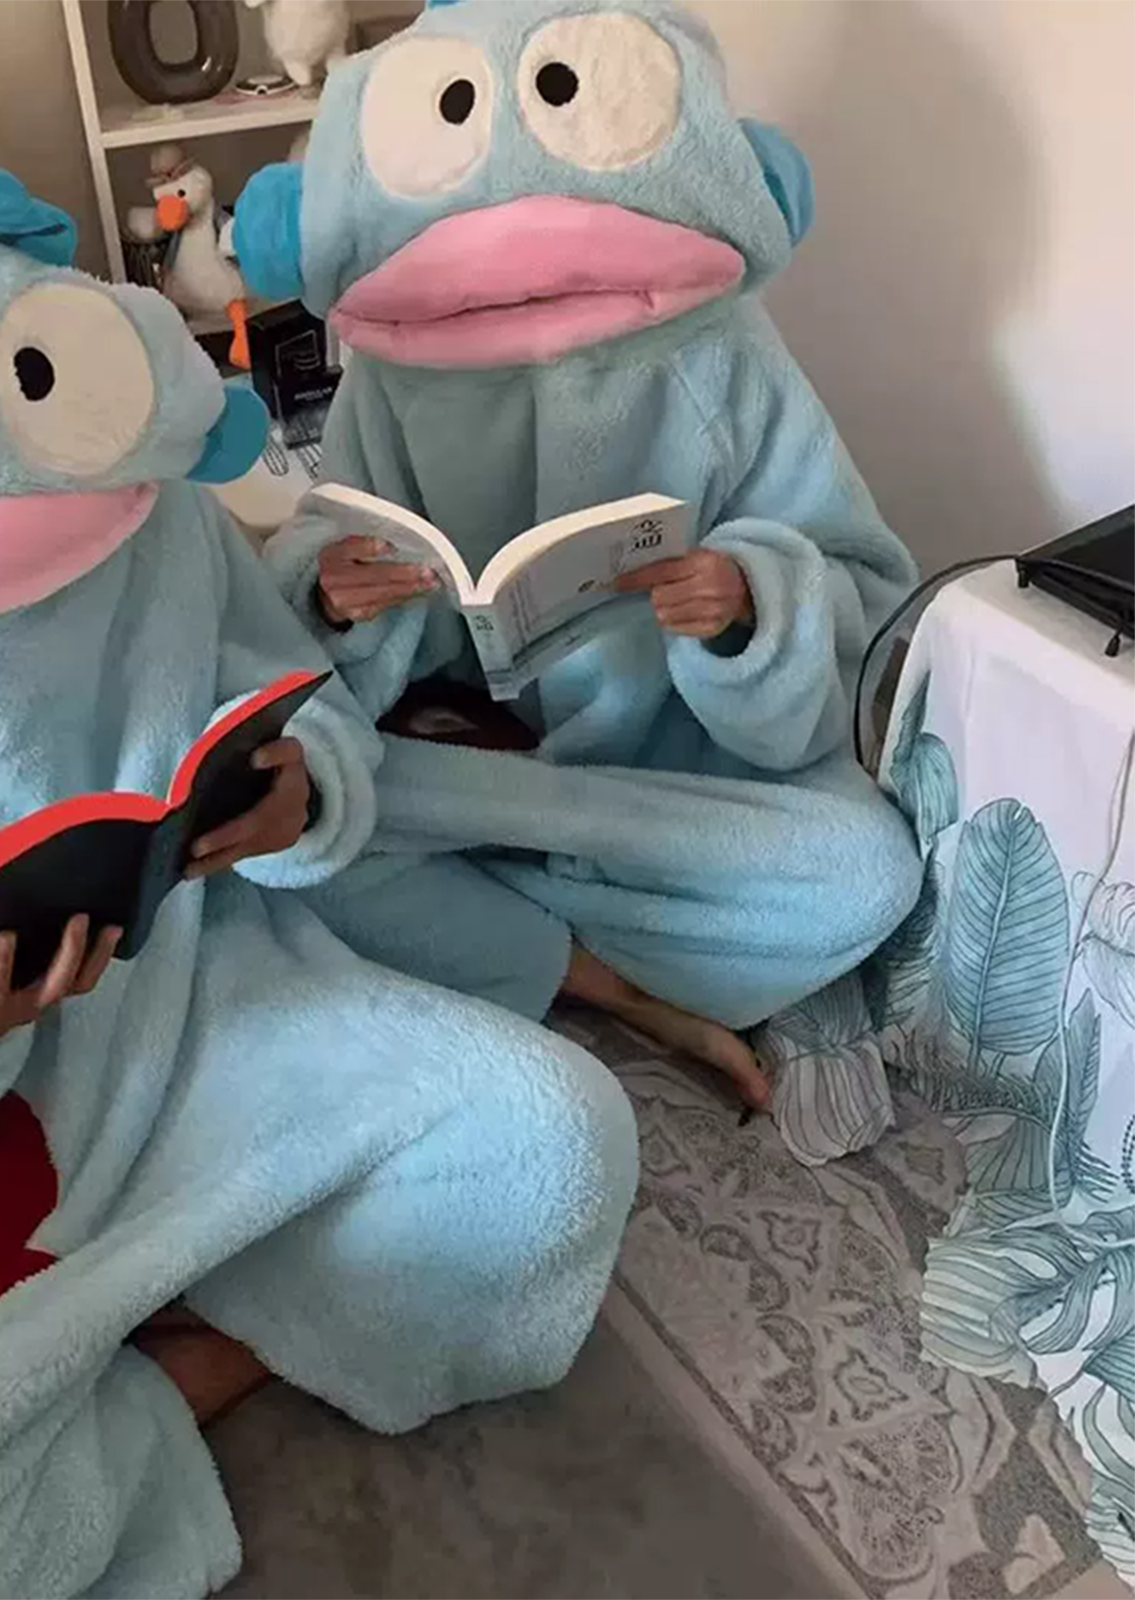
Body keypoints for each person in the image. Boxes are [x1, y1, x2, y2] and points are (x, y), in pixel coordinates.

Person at [0, 170, 637, 1598]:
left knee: (560, 1143)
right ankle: (181, 1350)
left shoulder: (152, 524)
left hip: (223, 1002)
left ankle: (203, 1340)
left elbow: (290, 697)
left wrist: (299, 795)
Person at [231, 0, 924, 1110]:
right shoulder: (395, 371)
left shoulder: (723, 350)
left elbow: (859, 583)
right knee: (273, 835)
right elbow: (337, 565)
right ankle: (618, 981)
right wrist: (336, 592)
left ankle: (502, 933)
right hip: (470, 764)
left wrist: (748, 607)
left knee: (868, 871)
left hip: (669, 777)